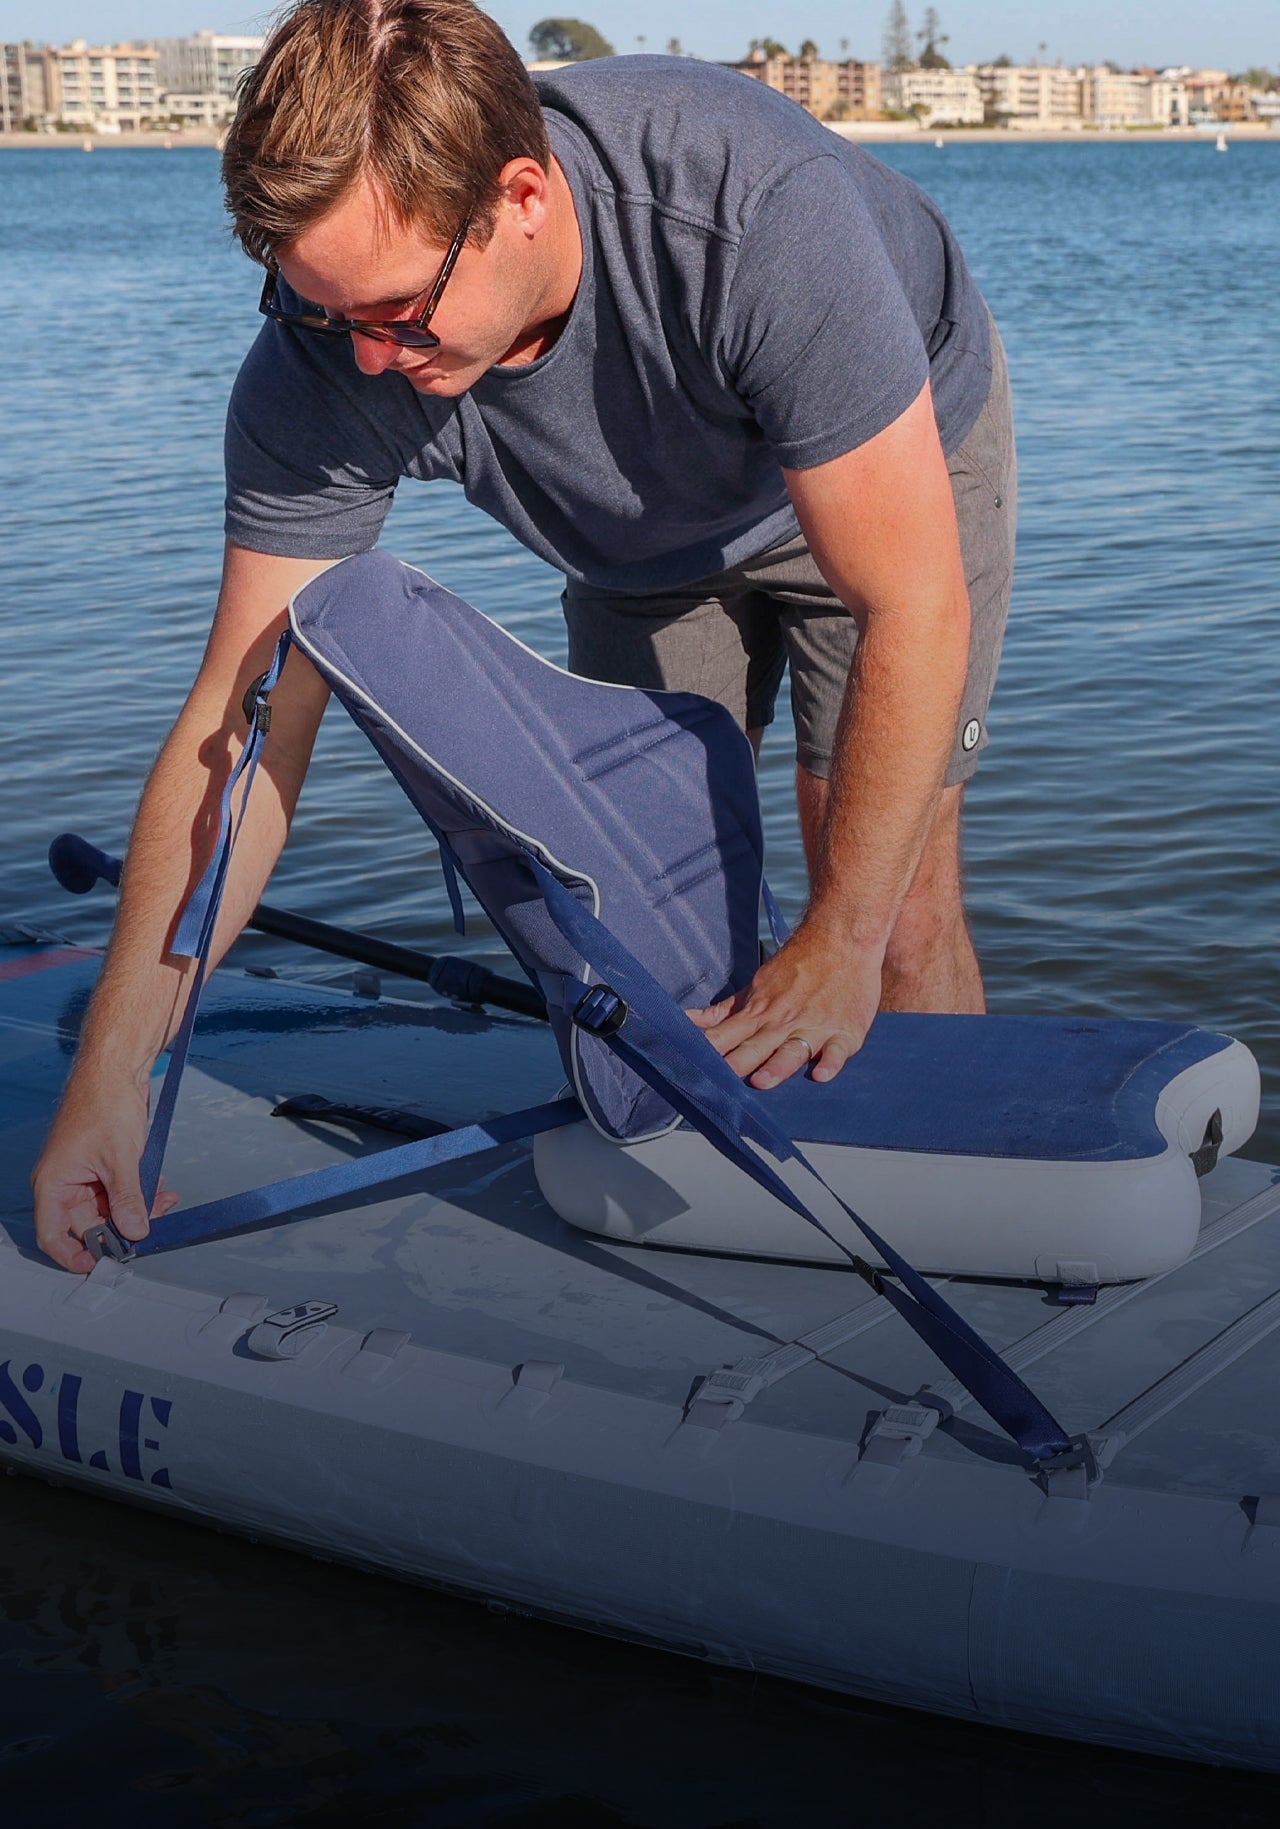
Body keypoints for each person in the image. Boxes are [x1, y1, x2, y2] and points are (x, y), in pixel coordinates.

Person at [32, 0, 1016, 1271]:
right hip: (633, 548)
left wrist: (840, 940)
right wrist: (116, 1069)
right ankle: (736, 1209)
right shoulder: (325, 356)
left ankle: (969, 1222)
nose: (369, 366)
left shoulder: (749, 210)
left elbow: (910, 606)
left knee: (889, 906)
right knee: (655, 935)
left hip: (880, 478)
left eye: (396, 312)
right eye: (322, 314)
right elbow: (240, 720)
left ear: (523, 197)